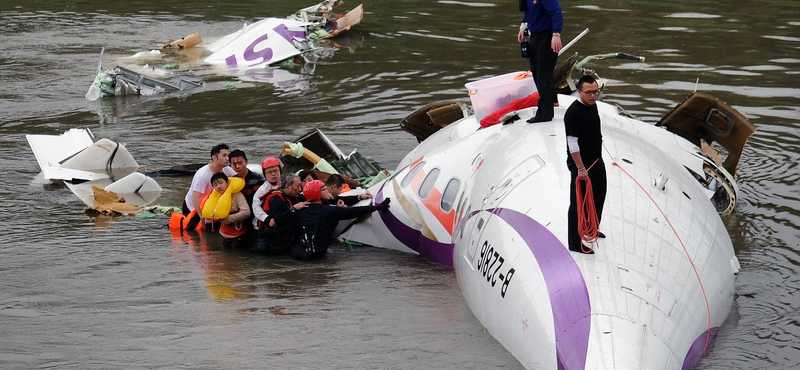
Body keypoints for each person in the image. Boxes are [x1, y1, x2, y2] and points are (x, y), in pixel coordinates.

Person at [294, 180, 390, 261]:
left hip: (299, 252)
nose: (327, 190)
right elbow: (355, 211)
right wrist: (378, 207)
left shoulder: (301, 209)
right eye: (323, 189)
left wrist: (358, 197)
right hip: (314, 256)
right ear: (318, 194)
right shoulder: (330, 211)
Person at [564, 75, 607, 254]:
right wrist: (580, 168)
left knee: (599, 194)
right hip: (582, 166)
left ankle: (591, 228)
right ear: (579, 92)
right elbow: (572, 143)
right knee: (578, 203)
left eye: (595, 91)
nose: (593, 95)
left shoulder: (593, 105)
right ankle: (575, 242)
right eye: (588, 92)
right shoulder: (573, 112)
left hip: (597, 160)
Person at [518, 0, 563, 123]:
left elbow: (556, 12)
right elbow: (527, 13)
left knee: (544, 75)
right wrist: (523, 27)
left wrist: (556, 34)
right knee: (537, 74)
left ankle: (545, 113)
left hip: (547, 35)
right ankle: (546, 106)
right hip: (534, 35)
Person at [182, 144, 237, 230]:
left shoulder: (227, 169)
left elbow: (238, 179)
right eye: (224, 155)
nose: (227, 158)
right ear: (214, 158)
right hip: (194, 207)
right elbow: (195, 198)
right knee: (197, 231)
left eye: (228, 155)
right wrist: (201, 217)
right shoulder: (203, 175)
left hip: (211, 203)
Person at [254, 174, 310, 255]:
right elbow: (279, 220)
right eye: (297, 186)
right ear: (287, 186)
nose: (300, 189)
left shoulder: (294, 197)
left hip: (283, 240)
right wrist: (293, 208)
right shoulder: (276, 199)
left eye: (300, 186)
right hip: (270, 242)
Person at [207, 173, 252, 249]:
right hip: (223, 234)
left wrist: (229, 218)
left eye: (221, 183)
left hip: (238, 235)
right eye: (215, 185)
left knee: (236, 258)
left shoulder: (237, 195)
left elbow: (246, 212)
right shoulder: (216, 197)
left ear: (227, 183)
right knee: (225, 258)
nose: (219, 186)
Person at [230, 149, 264, 244]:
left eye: (240, 163)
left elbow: (259, 202)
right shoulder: (232, 180)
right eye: (234, 164)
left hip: (253, 217)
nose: (237, 166)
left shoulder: (257, 180)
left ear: (246, 162)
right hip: (238, 218)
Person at [251, 157, 283, 230]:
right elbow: (256, 207)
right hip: (264, 225)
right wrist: (267, 219)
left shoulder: (285, 185)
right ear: (265, 174)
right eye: (270, 172)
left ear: (280, 171)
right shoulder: (262, 190)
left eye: (275, 170)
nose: (273, 174)